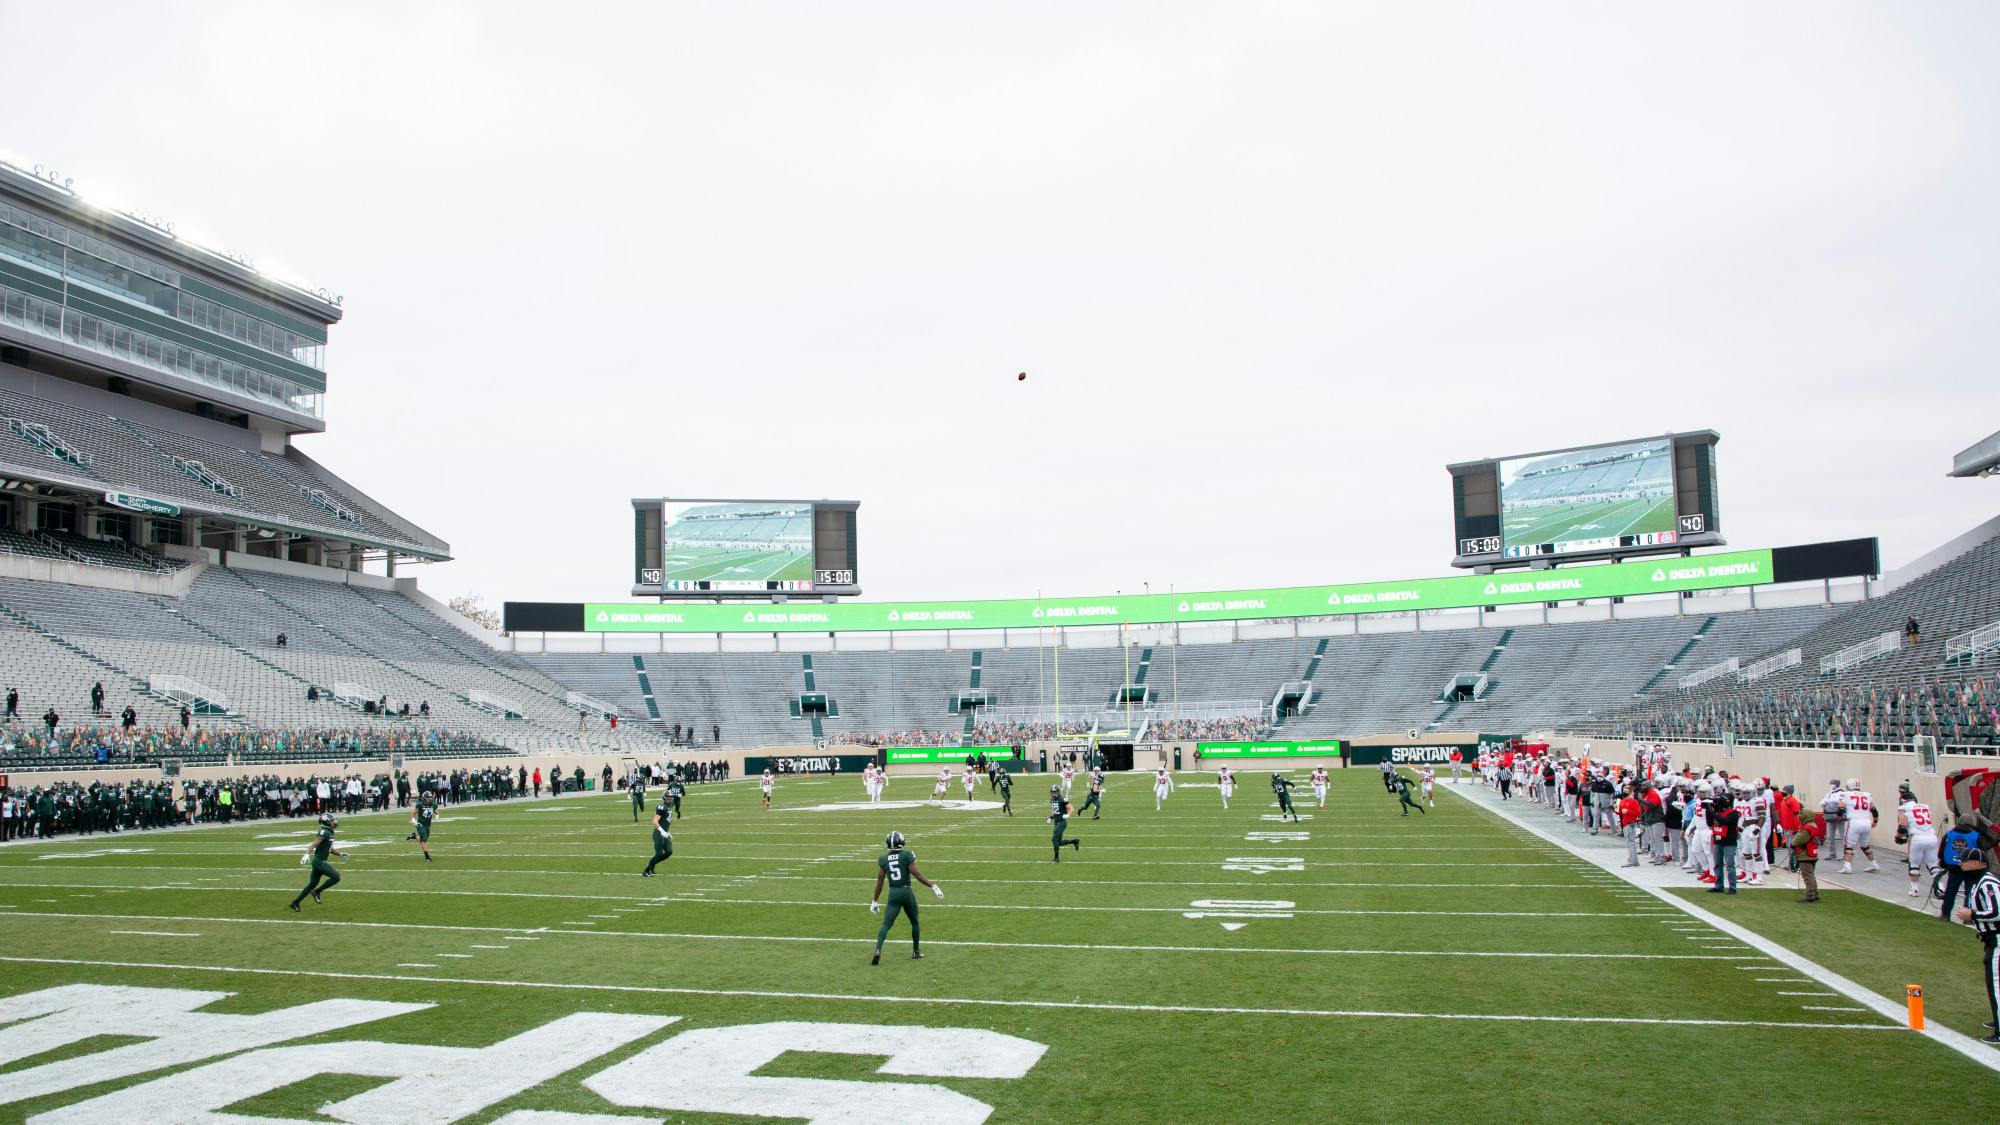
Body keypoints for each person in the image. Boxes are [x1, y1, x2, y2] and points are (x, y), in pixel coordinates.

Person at [1948, 846, 1998, 1044]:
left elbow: (1998, 910)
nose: (1960, 863)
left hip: (1997, 938)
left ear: (1976, 863)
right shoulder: (1981, 881)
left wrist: (1973, 915)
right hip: (1990, 939)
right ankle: (1997, 1020)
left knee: (1996, 985)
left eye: (1964, 860)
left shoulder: (1987, 882)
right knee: (1993, 984)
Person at [870, 830, 942, 963]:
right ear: (901, 842)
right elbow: (918, 875)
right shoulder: (907, 855)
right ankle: (916, 952)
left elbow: (879, 881)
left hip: (893, 894)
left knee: (886, 924)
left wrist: (874, 900)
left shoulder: (883, 859)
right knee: (914, 922)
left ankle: (878, 949)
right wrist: (933, 886)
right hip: (906, 892)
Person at [289, 812, 345, 911]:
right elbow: (314, 844)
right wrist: (306, 854)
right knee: (336, 877)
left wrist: (340, 854)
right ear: (326, 823)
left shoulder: (330, 832)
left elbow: (330, 849)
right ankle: (317, 891)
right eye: (331, 821)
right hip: (319, 861)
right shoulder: (324, 832)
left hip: (319, 861)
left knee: (312, 884)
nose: (334, 822)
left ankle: (295, 902)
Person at [1895, 783, 1941, 900]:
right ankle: (1941, 888)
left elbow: (1902, 827)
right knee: (1933, 864)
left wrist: (1898, 837)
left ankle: (1914, 889)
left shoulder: (1904, 809)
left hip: (1917, 838)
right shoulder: (1924, 807)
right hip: (1931, 836)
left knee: (1914, 864)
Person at [1940, 816, 1984, 920]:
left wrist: (1943, 863)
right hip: (1971, 868)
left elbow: (1942, 850)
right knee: (1970, 892)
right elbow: (1981, 853)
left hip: (1953, 867)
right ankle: (1967, 917)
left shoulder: (1949, 834)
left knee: (1950, 891)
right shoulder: (1976, 836)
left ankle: (1945, 915)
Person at [1838, 778, 1879, 874]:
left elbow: (1841, 809)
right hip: (1866, 821)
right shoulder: (1867, 795)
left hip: (1854, 821)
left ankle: (1847, 866)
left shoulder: (1846, 794)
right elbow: (1874, 811)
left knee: (1849, 846)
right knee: (1865, 845)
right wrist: (1875, 821)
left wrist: (1838, 817)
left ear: (1848, 786)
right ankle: (1874, 864)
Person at [1709, 796, 1742, 894]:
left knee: (1729, 865)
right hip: (1718, 841)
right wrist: (1709, 811)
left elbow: (1724, 821)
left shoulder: (1734, 813)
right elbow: (1709, 822)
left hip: (1729, 842)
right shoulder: (1717, 813)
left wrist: (1712, 812)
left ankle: (1732, 887)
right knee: (1717, 865)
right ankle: (1718, 886)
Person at [1794, 808, 1826, 903]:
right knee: (1811, 875)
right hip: (1812, 853)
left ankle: (1810, 895)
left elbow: (1799, 840)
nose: (1799, 816)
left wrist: (1793, 843)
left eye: (1801, 814)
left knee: (1807, 876)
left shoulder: (1807, 828)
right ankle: (1815, 894)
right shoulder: (1813, 825)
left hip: (1806, 854)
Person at [641, 792, 674, 877]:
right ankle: (647, 870)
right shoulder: (662, 807)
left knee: (669, 851)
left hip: (665, 833)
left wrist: (667, 831)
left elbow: (665, 821)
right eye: (668, 797)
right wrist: (662, 831)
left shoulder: (668, 807)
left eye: (671, 797)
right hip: (658, 833)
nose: (670, 799)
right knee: (659, 853)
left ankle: (653, 864)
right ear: (664, 798)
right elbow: (655, 821)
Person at [1047, 785, 1081, 862]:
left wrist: (1068, 815)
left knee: (1054, 839)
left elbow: (1072, 808)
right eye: (1052, 792)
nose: (1054, 794)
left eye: (1055, 792)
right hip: (1056, 821)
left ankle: (1056, 858)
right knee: (1058, 843)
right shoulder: (1052, 799)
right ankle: (1074, 841)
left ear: (1059, 792)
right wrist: (1050, 818)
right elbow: (1055, 810)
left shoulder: (1062, 799)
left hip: (1062, 822)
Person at [408, 790, 437, 862]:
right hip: (420, 824)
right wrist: (413, 820)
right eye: (428, 797)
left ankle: (415, 836)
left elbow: (436, 812)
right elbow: (414, 813)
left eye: (430, 797)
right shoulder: (420, 804)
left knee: (423, 840)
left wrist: (437, 816)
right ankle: (427, 856)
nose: (430, 798)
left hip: (428, 824)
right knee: (424, 839)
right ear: (424, 798)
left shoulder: (433, 804)